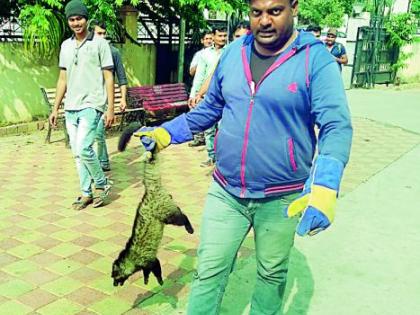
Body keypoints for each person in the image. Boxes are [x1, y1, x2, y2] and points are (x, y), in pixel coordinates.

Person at [135, 0, 353, 313]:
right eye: (256, 12)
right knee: (208, 271)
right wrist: (167, 133)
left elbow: (336, 125)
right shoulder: (234, 53)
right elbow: (211, 107)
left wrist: (326, 185)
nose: (264, 21)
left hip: (281, 198)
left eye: (275, 11)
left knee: (271, 274)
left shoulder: (315, 60)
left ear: (294, 7)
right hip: (226, 193)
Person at [49, 0, 114, 210]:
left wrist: (110, 107)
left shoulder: (100, 44)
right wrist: (55, 108)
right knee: (77, 153)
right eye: (72, 19)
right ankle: (86, 192)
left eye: (79, 18)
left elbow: (108, 76)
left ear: (86, 19)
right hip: (71, 107)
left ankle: (102, 185)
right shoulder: (66, 46)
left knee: (85, 148)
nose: (76, 23)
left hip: (92, 104)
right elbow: (62, 79)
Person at [92, 20, 129, 172]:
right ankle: (101, 160)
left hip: (105, 99)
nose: (101, 36)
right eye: (97, 33)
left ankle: (103, 162)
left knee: (99, 132)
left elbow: (122, 78)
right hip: (89, 99)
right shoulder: (86, 50)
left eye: (103, 33)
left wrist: (123, 99)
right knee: (92, 134)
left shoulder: (113, 52)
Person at [189, 26, 228, 167]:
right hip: (207, 96)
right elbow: (199, 76)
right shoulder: (204, 54)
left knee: (223, 129)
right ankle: (211, 157)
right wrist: (194, 94)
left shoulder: (230, 52)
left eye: (225, 36)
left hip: (225, 96)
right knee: (209, 129)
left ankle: (223, 160)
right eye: (220, 36)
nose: (223, 38)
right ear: (214, 36)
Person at [188, 30, 213, 147]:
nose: (209, 41)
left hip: (212, 90)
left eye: (210, 38)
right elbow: (191, 72)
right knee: (196, 113)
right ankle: (198, 138)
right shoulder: (199, 55)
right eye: (206, 39)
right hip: (199, 88)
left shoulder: (220, 52)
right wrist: (201, 65)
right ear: (202, 41)